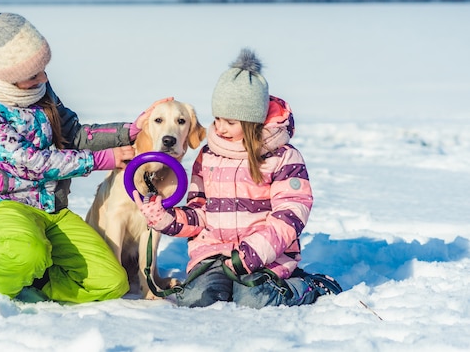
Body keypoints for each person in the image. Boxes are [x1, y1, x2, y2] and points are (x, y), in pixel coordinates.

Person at [0, 0, 168, 303]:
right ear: (4, 73)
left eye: (43, 69)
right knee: (24, 251)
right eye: (34, 74)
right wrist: (102, 160)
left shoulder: (39, 91)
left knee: (110, 282)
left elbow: (74, 134)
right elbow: (28, 161)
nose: (44, 79)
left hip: (50, 208)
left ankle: (38, 281)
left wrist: (129, 130)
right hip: (0, 206)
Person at [133, 48, 342, 308]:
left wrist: (251, 254)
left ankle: (309, 286)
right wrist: (166, 219)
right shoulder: (208, 155)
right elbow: (199, 213)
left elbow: (290, 216)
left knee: (254, 298)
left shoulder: (282, 158)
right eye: (217, 118)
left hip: (264, 257)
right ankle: (225, 283)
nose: (219, 128)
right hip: (213, 256)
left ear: (251, 121)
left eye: (230, 122)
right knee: (196, 298)